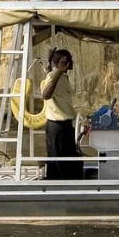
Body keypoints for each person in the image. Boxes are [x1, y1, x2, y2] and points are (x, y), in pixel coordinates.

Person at [38, 48, 82, 179]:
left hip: (66, 126)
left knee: (71, 159)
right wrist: (58, 71)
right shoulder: (55, 76)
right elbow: (46, 95)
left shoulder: (61, 76)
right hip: (58, 126)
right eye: (67, 61)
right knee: (61, 162)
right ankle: (62, 188)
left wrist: (52, 63)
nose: (71, 63)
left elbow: (49, 72)